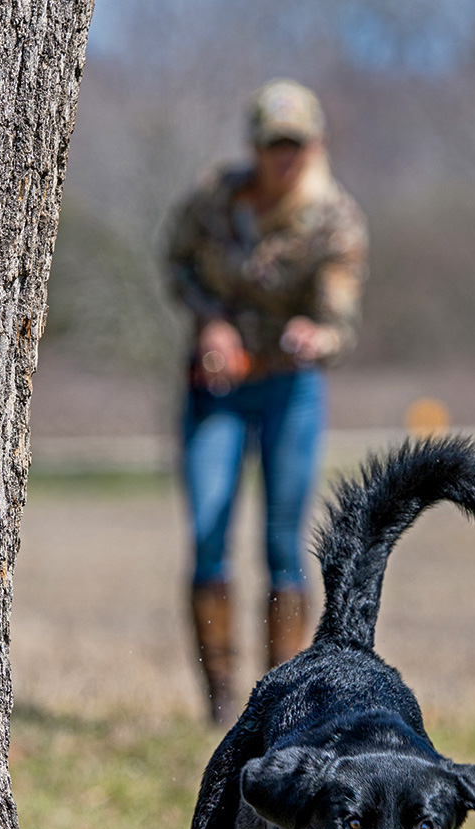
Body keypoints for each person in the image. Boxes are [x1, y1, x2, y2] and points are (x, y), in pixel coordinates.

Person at [164, 79, 368, 725]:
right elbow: (176, 265)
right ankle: (220, 702)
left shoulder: (334, 218)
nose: (285, 156)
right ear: (253, 146)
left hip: (289, 388)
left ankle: (278, 703)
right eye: (273, 144)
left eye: (296, 145)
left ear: (316, 146)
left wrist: (317, 334)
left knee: (284, 542)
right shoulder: (215, 199)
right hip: (217, 388)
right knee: (208, 533)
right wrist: (211, 322)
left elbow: (338, 314)